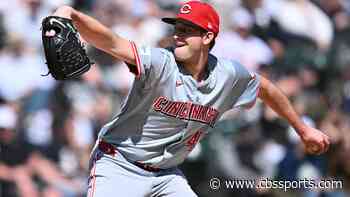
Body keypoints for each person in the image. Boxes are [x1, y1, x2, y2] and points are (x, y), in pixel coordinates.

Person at [45, 1, 330, 196]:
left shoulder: (228, 75)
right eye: (177, 29)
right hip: (120, 164)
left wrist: (302, 129)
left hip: (167, 174)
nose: (178, 36)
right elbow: (111, 41)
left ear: (207, 37)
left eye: (187, 30)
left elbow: (266, 88)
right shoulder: (159, 62)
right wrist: (73, 15)